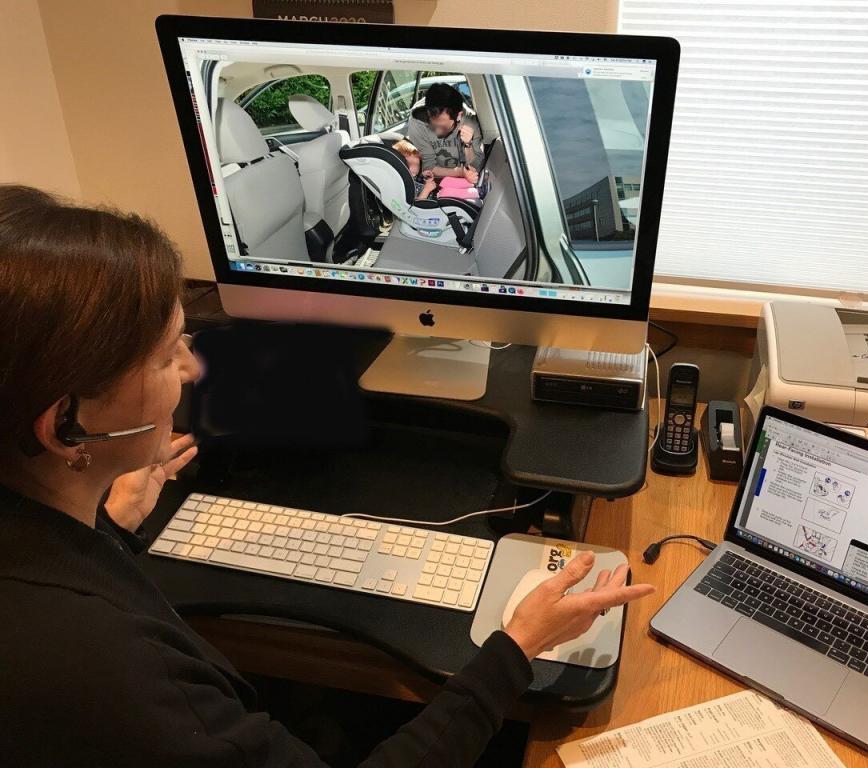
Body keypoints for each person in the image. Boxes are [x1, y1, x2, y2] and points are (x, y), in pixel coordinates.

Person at [0, 184, 656, 767]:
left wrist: (111, 527)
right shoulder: (120, 675)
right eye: (167, 351)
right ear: (65, 427)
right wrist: (517, 646)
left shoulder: (37, 544)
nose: (193, 369)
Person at [405, 82, 484, 180]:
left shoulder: (469, 123)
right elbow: (428, 167)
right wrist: (459, 172)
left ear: (458, 116)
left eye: (443, 127)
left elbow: (475, 168)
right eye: (433, 126)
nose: (437, 132)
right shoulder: (418, 122)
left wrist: (468, 145)